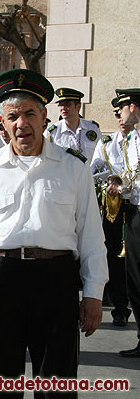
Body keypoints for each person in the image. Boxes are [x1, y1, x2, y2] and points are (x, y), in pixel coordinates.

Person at [0, 69, 108, 397]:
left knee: (57, 385)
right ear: (2, 123)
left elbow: (92, 237)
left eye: (29, 114)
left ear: (44, 117)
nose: (22, 123)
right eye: (13, 116)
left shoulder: (73, 168)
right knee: (1, 384)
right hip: (1, 279)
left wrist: (94, 293)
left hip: (56, 280)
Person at [90, 97, 133, 327]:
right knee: (114, 256)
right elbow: (94, 167)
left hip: (133, 205)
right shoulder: (107, 143)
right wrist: (103, 178)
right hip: (113, 206)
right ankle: (119, 308)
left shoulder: (136, 141)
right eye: (116, 115)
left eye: (122, 114)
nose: (120, 120)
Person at [114, 88, 140, 357]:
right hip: (134, 213)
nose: (119, 115)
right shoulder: (130, 140)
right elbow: (130, 176)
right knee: (135, 278)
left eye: (121, 109)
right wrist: (118, 185)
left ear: (132, 107)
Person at [44, 88, 101, 163]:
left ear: (78, 107)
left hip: (89, 173)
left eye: (67, 104)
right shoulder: (52, 133)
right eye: (61, 105)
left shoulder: (92, 127)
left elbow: (100, 155)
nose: (63, 108)